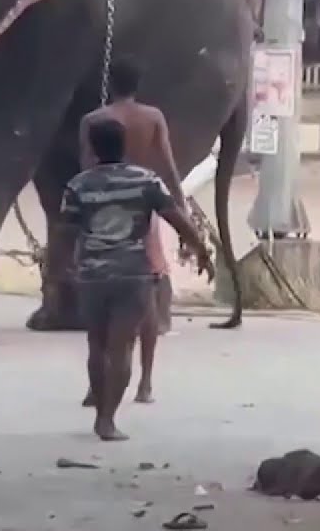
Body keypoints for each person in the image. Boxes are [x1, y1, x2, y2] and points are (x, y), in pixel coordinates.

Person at [64, 119, 214, 441]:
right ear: (125, 147)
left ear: (91, 148)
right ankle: (106, 420)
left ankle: (99, 406)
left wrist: (67, 269)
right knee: (121, 348)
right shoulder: (146, 181)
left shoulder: (79, 185)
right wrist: (201, 251)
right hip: (132, 274)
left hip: (92, 275)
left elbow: (67, 231)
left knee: (96, 344)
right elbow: (177, 219)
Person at [78, 59, 186, 405]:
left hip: (102, 208)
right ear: (139, 84)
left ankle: (98, 386)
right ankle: (145, 383)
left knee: (100, 298)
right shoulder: (152, 118)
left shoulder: (94, 121)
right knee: (147, 297)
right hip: (142, 205)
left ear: (108, 82)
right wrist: (180, 209)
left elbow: (86, 166)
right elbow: (168, 166)